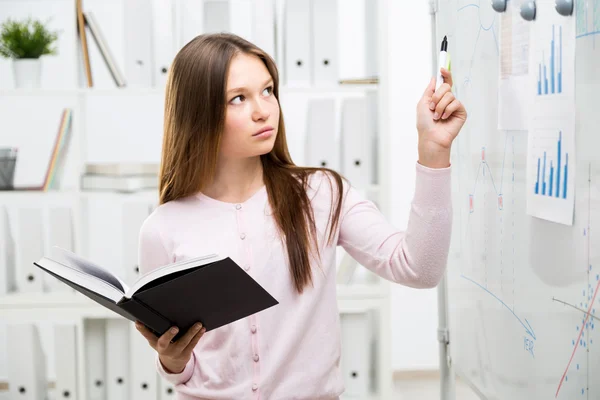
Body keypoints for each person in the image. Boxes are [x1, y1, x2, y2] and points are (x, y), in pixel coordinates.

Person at [135, 32, 467, 399]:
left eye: (268, 90)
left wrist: (433, 152)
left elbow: (419, 268)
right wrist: (172, 360)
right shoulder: (163, 228)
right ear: (198, 113)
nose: (263, 109)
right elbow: (185, 363)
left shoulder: (321, 194)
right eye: (238, 98)